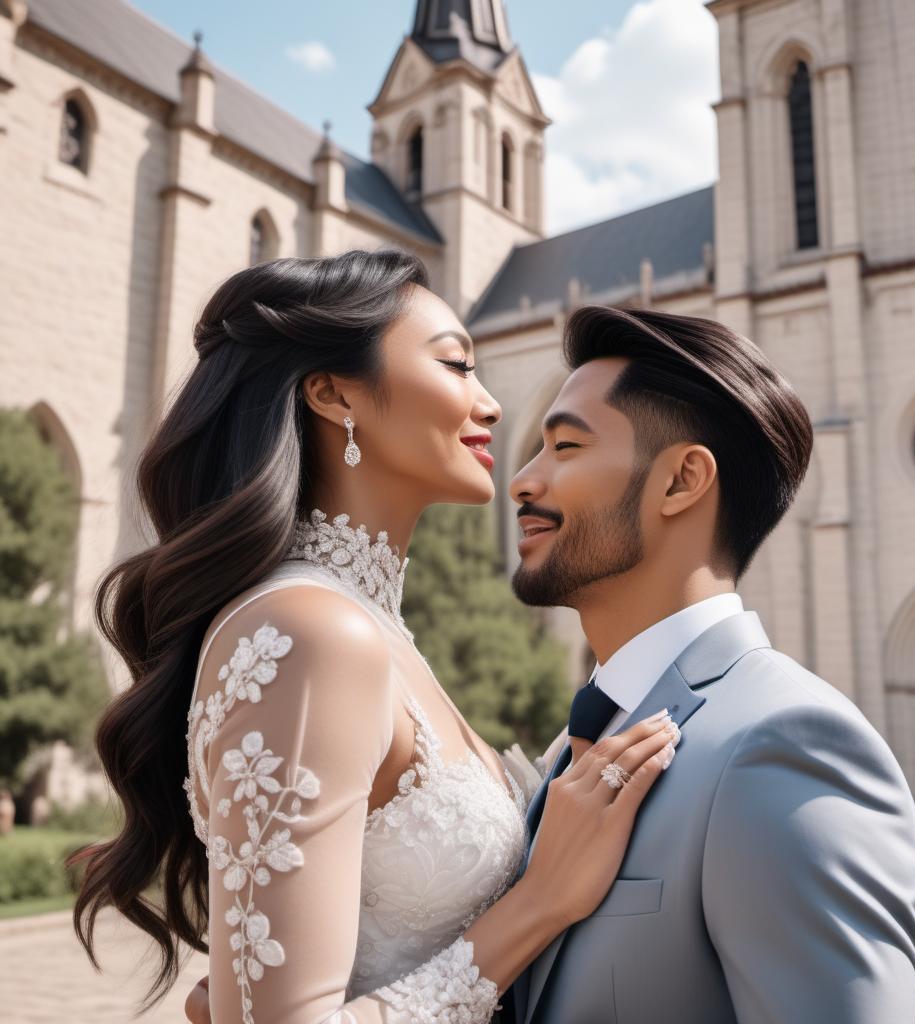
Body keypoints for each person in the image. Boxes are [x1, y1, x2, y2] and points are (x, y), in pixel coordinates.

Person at [70, 250, 679, 1023]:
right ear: (333, 394)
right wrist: (541, 904)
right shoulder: (307, 633)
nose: (490, 405)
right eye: (456, 365)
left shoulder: (368, 631)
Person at [502, 305, 915, 1023]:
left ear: (680, 482)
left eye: (565, 447)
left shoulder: (786, 746)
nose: (521, 481)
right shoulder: (584, 740)